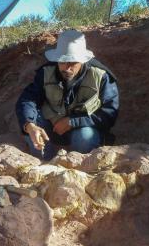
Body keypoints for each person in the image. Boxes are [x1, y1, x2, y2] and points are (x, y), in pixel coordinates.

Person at [15, 29, 119, 160]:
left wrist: (73, 122)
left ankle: (81, 167)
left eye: (73, 63)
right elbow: (28, 99)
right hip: (52, 127)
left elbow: (109, 114)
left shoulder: (101, 77)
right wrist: (29, 125)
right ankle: (44, 162)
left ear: (83, 60)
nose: (67, 68)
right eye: (63, 62)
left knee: (84, 137)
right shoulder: (46, 72)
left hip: (83, 129)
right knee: (31, 124)